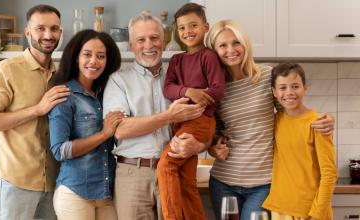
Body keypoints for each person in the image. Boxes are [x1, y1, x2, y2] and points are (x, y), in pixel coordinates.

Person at [168, 19, 335, 220]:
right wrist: (212, 145)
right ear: (214, 50)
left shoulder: (266, 76)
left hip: (263, 184)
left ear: (245, 43)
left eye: (236, 42)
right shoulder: (213, 88)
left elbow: (291, 112)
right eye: (223, 45)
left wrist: (322, 119)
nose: (231, 50)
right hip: (223, 181)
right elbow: (211, 127)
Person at [102, 11, 205, 220]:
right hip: (132, 175)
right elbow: (120, 129)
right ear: (131, 45)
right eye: (141, 40)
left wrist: (201, 145)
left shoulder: (180, 80)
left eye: (154, 38)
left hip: (176, 171)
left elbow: (204, 123)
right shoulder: (118, 81)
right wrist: (168, 116)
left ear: (164, 41)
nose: (148, 45)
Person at [0, 4, 70, 220]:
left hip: (54, 183)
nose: (48, 35)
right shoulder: (6, 70)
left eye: (54, 29)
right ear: (27, 32)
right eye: (40, 29)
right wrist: (37, 109)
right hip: (16, 183)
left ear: (60, 32)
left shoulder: (62, 75)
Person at [156, 3, 225, 220]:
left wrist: (195, 96)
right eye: (182, 27)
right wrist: (190, 91)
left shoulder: (209, 56)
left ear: (205, 27)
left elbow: (217, 90)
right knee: (186, 182)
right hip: (181, 122)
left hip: (200, 120)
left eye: (193, 25)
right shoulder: (177, 60)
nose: (188, 31)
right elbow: (169, 88)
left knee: (166, 167)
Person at [48, 29, 124, 220]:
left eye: (101, 56)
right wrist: (104, 134)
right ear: (76, 57)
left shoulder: (108, 94)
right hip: (75, 192)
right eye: (87, 55)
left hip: (106, 192)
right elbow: (60, 150)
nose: (94, 62)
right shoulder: (65, 96)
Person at [262, 63, 337, 219]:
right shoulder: (274, 121)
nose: (289, 92)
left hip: (310, 211)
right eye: (282, 88)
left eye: (295, 86)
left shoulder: (318, 123)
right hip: (279, 209)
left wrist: (318, 212)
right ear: (274, 92)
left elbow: (329, 173)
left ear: (305, 88)